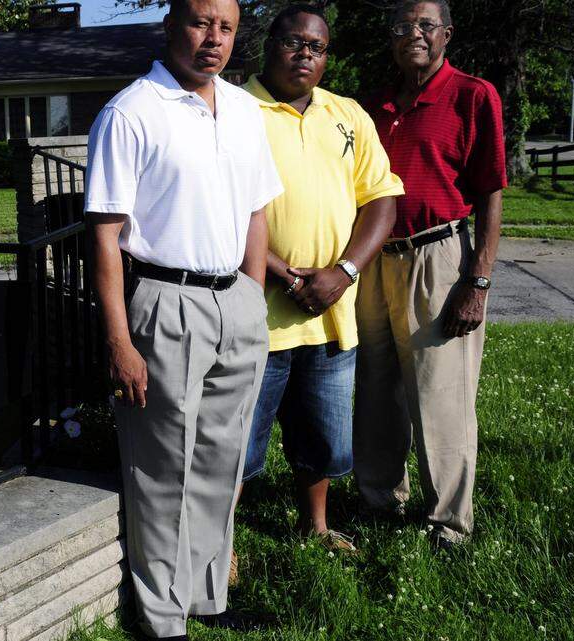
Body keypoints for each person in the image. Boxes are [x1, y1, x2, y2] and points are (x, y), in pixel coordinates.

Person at [84, 0, 283, 637]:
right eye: (200, 23)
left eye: (225, 27)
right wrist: (119, 338)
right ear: (170, 27)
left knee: (221, 462)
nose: (213, 40)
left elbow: (257, 210)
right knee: (163, 468)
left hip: (236, 305)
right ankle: (162, 620)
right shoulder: (132, 111)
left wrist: (251, 295)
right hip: (165, 303)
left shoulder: (246, 110)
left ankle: (204, 597)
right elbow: (105, 235)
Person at [233, 3, 402, 569]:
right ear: (268, 45)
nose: (305, 54)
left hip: (332, 313)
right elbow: (217, 208)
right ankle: (220, 543)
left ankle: (317, 526)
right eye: (292, 42)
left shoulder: (347, 113)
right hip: (256, 314)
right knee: (236, 447)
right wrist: (278, 270)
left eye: (317, 46)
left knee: (324, 441)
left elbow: (381, 197)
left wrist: (344, 273)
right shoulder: (233, 111)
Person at [356, 0, 506, 549]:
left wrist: (479, 280)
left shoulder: (471, 95)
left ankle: (448, 523)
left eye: (425, 25)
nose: (413, 34)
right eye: (402, 26)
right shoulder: (374, 105)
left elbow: (490, 193)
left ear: (447, 33)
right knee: (375, 388)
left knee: (440, 393)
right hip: (374, 259)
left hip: (437, 256)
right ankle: (377, 498)